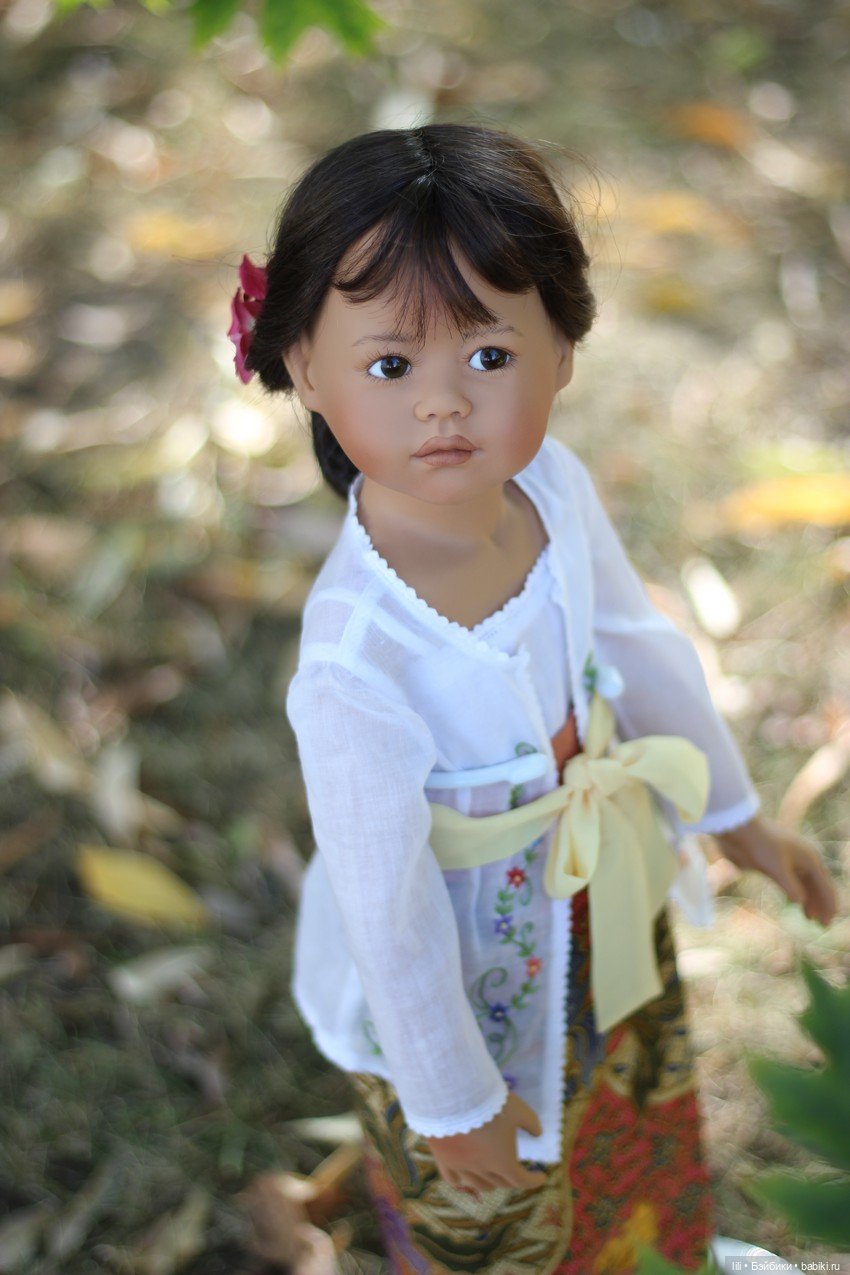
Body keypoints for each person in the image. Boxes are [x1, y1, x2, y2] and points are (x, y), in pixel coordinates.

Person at [229, 124, 838, 1274]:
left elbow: (631, 638)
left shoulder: (550, 485)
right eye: (390, 364)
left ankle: (636, 1242)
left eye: (491, 356)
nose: (445, 403)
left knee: (617, 1093)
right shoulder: (356, 655)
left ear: (563, 346)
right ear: (304, 368)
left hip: (594, 890)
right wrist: (450, 1099)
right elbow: (386, 894)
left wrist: (729, 813)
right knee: (489, 1207)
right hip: (460, 968)